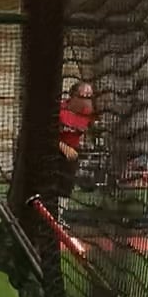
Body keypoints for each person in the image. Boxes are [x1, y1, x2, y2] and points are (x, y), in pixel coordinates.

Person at [51, 80, 95, 214]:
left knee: (66, 183)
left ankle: (60, 215)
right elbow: (45, 134)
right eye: (83, 97)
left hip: (71, 155)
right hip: (52, 151)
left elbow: (90, 131)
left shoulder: (88, 113)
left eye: (89, 98)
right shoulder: (60, 110)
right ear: (73, 96)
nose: (86, 101)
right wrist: (64, 147)